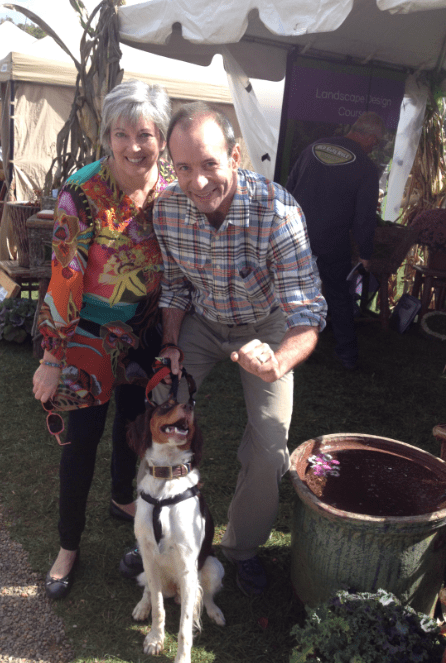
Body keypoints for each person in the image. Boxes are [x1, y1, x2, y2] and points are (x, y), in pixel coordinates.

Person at [121, 102, 327, 597]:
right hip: (203, 324)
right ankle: (155, 530)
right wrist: (171, 342)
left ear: (236, 156)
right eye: (184, 168)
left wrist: (278, 360)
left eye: (210, 164)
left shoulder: (277, 211)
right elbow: (173, 285)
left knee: (269, 444)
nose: (197, 182)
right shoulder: (168, 208)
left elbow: (308, 313)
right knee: (157, 408)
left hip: (267, 327)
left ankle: (241, 547)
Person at [32, 80, 175, 600]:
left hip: (145, 331)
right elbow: (65, 276)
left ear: (162, 137)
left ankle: (121, 497)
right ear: (107, 136)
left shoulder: (170, 190)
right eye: (121, 134)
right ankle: (68, 546)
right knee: (82, 439)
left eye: (145, 134)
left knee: (134, 426)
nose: (133, 146)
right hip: (88, 334)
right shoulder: (83, 192)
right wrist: (52, 356)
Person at [286, 112, 386, 370]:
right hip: (331, 240)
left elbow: (289, 187)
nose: (374, 147)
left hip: (295, 235)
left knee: (291, 293)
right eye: (375, 142)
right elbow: (365, 216)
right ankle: (347, 355)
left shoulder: (312, 148)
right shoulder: (365, 166)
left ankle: (285, 348)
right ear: (369, 136)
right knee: (339, 296)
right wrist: (366, 252)